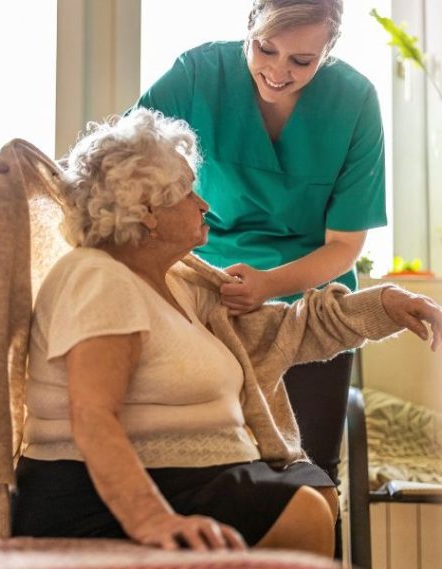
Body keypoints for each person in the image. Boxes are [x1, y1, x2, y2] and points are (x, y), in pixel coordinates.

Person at [6, 108, 442, 556]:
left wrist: (388, 304)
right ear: (146, 211)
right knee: (303, 511)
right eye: (186, 192)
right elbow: (92, 415)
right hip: (91, 493)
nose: (203, 204)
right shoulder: (98, 277)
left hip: (188, 474)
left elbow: (290, 329)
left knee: (314, 494)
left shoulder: (182, 285)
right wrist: (151, 518)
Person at [135, 0, 383, 492]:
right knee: (203, 474)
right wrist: (26, 174)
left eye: (301, 61)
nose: (277, 71)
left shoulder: (355, 101)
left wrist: (270, 285)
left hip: (311, 304)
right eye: (266, 49)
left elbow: (344, 245)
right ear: (249, 26)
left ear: (328, 49)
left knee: (311, 476)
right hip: (204, 295)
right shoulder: (197, 73)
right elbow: (122, 157)